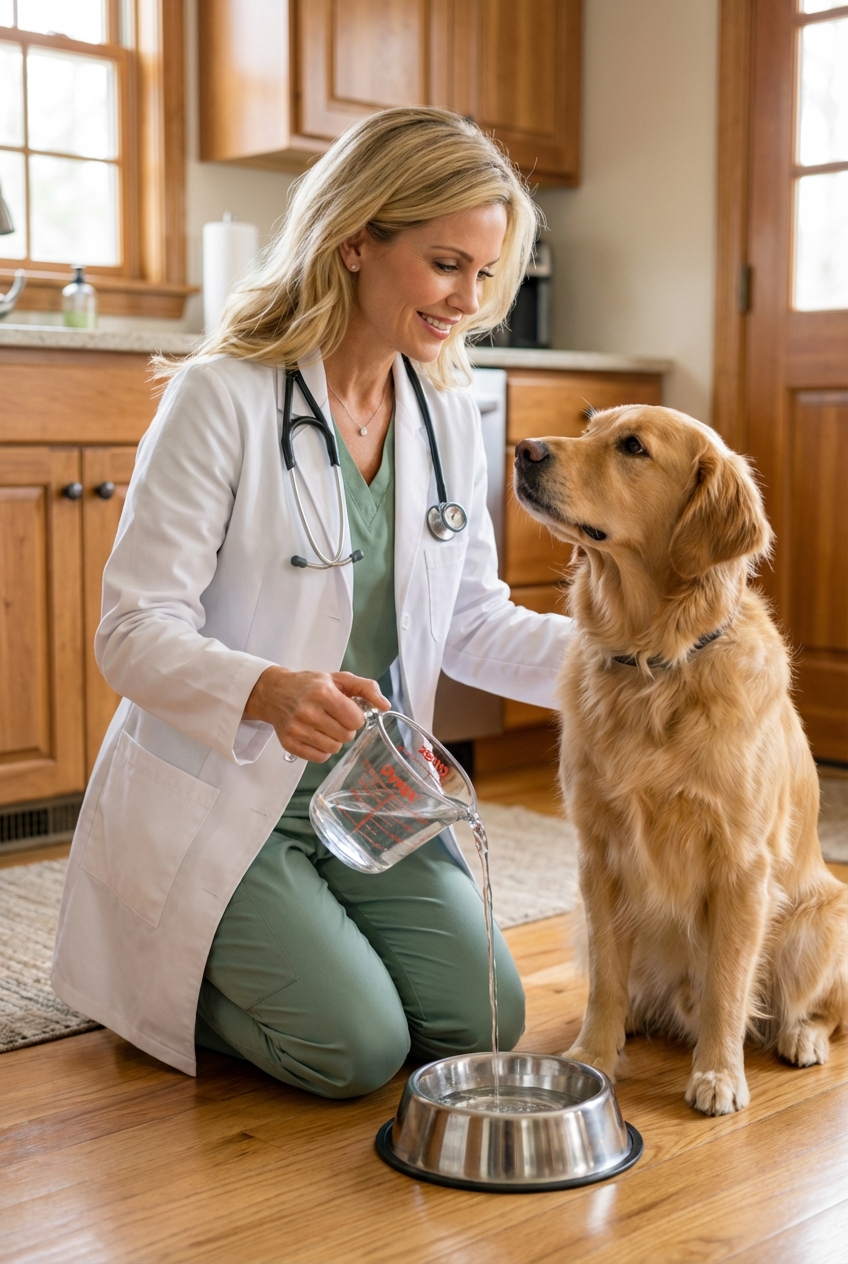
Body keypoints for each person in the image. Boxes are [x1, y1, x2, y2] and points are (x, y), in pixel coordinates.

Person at [52, 108, 572, 1096]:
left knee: (485, 1018)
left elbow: (469, 622)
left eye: (482, 274)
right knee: (356, 1048)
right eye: (444, 265)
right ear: (353, 240)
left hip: (371, 787)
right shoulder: (224, 396)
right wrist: (265, 689)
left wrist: (626, 658)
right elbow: (129, 633)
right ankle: (159, 965)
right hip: (231, 776)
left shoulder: (446, 412)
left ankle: (298, 939)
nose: (466, 300)